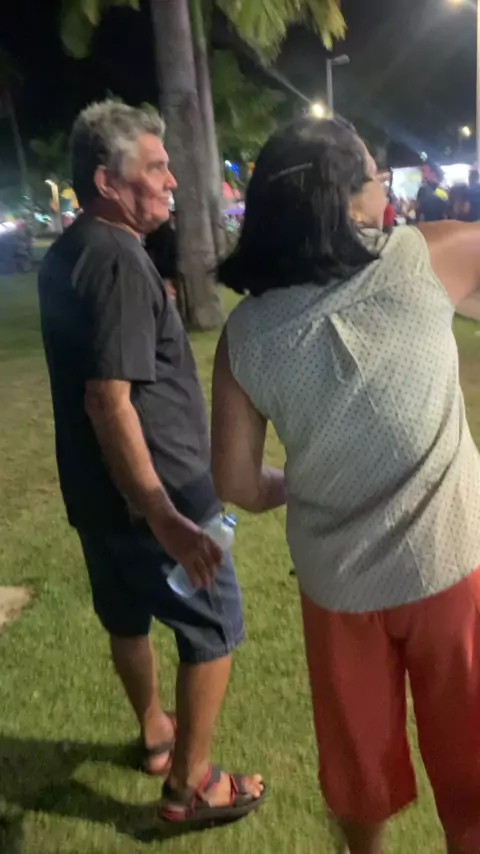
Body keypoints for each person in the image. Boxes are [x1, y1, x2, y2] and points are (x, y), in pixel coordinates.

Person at [211, 116, 480, 854]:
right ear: (345, 199)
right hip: (449, 565)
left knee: (359, 760)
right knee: (473, 752)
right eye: (372, 174)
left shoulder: (246, 336)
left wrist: (298, 484)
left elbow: (236, 480)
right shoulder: (422, 259)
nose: (384, 184)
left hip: (338, 587)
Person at [37, 100, 263, 827]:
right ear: (108, 182)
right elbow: (109, 400)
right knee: (214, 626)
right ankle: (190, 786)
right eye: (156, 167)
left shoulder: (70, 251)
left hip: (97, 495)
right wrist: (164, 514)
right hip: (158, 492)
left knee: (126, 617)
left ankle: (158, 734)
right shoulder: (117, 259)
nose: (171, 179)